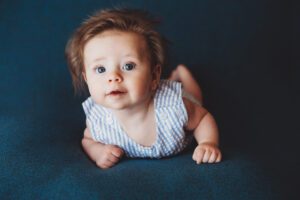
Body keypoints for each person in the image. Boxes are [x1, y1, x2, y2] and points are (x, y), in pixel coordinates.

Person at [65, 8, 222, 169]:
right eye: (100, 69)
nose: (113, 77)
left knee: (194, 96)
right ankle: (173, 75)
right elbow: (88, 141)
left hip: (179, 102)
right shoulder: (98, 120)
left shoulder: (175, 108)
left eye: (128, 65)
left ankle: (183, 73)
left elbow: (202, 118)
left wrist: (208, 142)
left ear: (154, 76)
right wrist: (98, 152)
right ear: (86, 79)